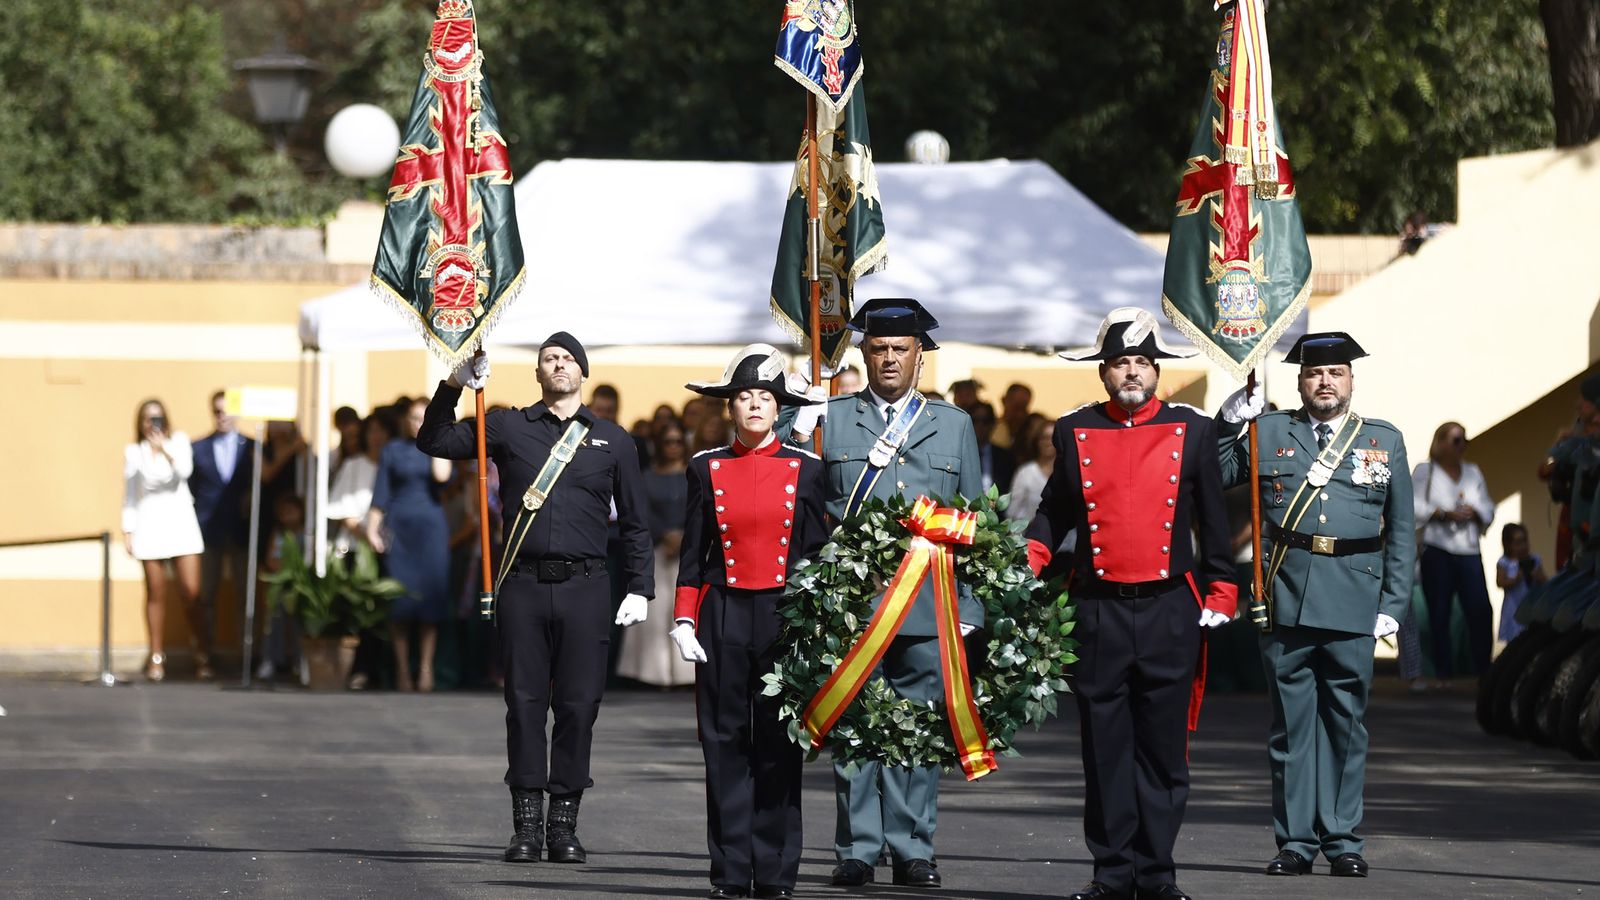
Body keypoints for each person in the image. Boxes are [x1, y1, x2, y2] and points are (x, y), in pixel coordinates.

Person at [1023, 307, 1236, 900]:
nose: (1132, 372)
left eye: (1143, 361)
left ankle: (1158, 873)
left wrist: (1223, 587)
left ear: (1157, 370)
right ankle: (1112, 873)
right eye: (1121, 362)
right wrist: (1033, 553)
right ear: (1103, 372)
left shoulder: (1192, 430)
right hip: (1098, 608)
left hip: (1170, 605)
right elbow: (1055, 510)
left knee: (1164, 750)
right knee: (1105, 749)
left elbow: (1215, 522)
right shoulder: (1074, 429)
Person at [416, 333, 652, 866]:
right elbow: (433, 441)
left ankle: (563, 826)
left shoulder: (613, 440)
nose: (559, 364)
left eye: (568, 358)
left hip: (587, 586)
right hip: (521, 584)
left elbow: (637, 524)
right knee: (523, 706)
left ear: (583, 372)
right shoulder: (506, 426)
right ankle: (525, 827)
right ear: (538, 373)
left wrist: (640, 586)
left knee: (578, 707)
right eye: (549, 359)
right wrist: (453, 385)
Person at [782, 297, 981, 890]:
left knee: (918, 727)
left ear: (921, 355)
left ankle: (914, 847)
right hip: (855, 603)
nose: (889, 359)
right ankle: (858, 848)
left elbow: (972, 521)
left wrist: (968, 606)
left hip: (928, 602)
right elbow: (798, 506)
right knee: (856, 726)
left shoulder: (955, 424)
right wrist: (800, 425)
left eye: (900, 350)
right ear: (863, 354)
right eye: (878, 350)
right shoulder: (832, 417)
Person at [1217, 331, 1415, 880]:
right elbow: (1217, 473)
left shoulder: (1382, 439)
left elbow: (1401, 530)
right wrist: (1231, 419)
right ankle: (1296, 843)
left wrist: (1393, 602)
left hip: (1355, 599)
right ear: (1300, 381)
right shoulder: (1269, 431)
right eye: (1313, 373)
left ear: (1351, 379)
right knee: (1290, 730)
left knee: (1347, 726)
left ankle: (1344, 839)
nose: (1325, 382)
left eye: (1335, 373)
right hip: (1288, 600)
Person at [668, 344, 826, 900]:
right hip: (723, 613)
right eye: (744, 396)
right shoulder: (705, 467)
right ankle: (731, 871)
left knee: (781, 745)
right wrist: (684, 619)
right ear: (729, 408)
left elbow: (819, 552)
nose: (755, 405)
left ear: (779, 407)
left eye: (765, 396)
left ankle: (777, 872)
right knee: (725, 743)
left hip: (784, 616)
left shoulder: (807, 469)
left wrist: (821, 623)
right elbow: (694, 550)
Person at [367, 398, 452, 692]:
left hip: (431, 530)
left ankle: (426, 668)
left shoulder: (438, 446)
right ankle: (403, 669)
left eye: (423, 418)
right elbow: (380, 493)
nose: (418, 423)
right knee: (399, 603)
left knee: (431, 602)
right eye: (414, 418)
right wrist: (372, 529)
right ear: (405, 420)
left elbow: (443, 476)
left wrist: (438, 434)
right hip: (400, 530)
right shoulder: (393, 449)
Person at [123, 399, 207, 682]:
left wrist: (163, 449)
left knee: (191, 592)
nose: (153, 424)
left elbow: (184, 472)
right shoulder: (135, 452)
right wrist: (128, 530)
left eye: (157, 418)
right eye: (148, 419)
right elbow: (131, 493)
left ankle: (201, 650)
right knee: (156, 593)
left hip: (180, 522)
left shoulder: (179, 442)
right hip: (150, 524)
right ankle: (156, 654)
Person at [1413, 421, 1496, 680]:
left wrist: (1475, 512)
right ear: (1440, 443)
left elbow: (1488, 507)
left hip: (1468, 549)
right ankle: (1443, 672)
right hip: (1438, 548)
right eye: (1455, 440)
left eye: (1464, 440)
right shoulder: (1425, 471)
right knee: (1439, 612)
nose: (1461, 446)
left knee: (1480, 609)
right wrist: (1441, 513)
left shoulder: (1472, 471)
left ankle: (1483, 671)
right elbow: (1413, 505)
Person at [616, 419, 695, 687]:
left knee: (684, 609)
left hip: (688, 552)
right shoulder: (647, 476)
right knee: (655, 611)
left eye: (677, 441)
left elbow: (700, 508)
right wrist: (664, 534)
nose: (673, 446)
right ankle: (654, 674)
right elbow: (642, 511)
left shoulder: (694, 473)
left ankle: (685, 674)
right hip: (658, 551)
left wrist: (684, 535)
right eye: (668, 441)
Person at [190, 390, 254, 676]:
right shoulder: (198, 448)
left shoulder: (253, 448)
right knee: (206, 596)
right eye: (217, 411)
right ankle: (205, 654)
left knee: (244, 594)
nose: (222, 416)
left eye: (226, 410)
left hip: (241, 531)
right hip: (208, 532)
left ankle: (246, 654)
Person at [258, 493, 307, 681]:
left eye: (291, 511)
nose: (287, 516)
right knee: (274, 623)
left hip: (300, 587)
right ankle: (270, 659)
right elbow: (271, 560)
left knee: (299, 625)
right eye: (283, 512)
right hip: (280, 586)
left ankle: (300, 660)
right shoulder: (278, 534)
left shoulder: (306, 533)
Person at [1496, 523, 1546, 642]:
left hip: (1532, 606)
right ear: (1508, 545)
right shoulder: (1505, 562)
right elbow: (1500, 582)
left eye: (1525, 541)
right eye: (1518, 543)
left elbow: (1545, 581)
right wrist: (1515, 579)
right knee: (1515, 640)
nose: (1523, 546)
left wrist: (1538, 577)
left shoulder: (1535, 560)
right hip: (1513, 608)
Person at [1006, 417, 1055, 524]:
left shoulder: (1068, 473)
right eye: (1044, 438)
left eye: (1053, 438)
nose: (1049, 442)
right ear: (1037, 441)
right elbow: (1012, 511)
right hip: (1029, 537)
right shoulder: (1025, 473)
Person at [968, 402, 1016, 496]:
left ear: (993, 424)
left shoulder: (1006, 457)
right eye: (975, 420)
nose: (980, 425)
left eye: (985, 421)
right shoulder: (958, 455)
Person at [993, 382, 1034, 450]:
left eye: (1023, 409)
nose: (1020, 414)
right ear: (1004, 400)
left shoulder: (1029, 432)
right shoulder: (990, 428)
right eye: (1016, 408)